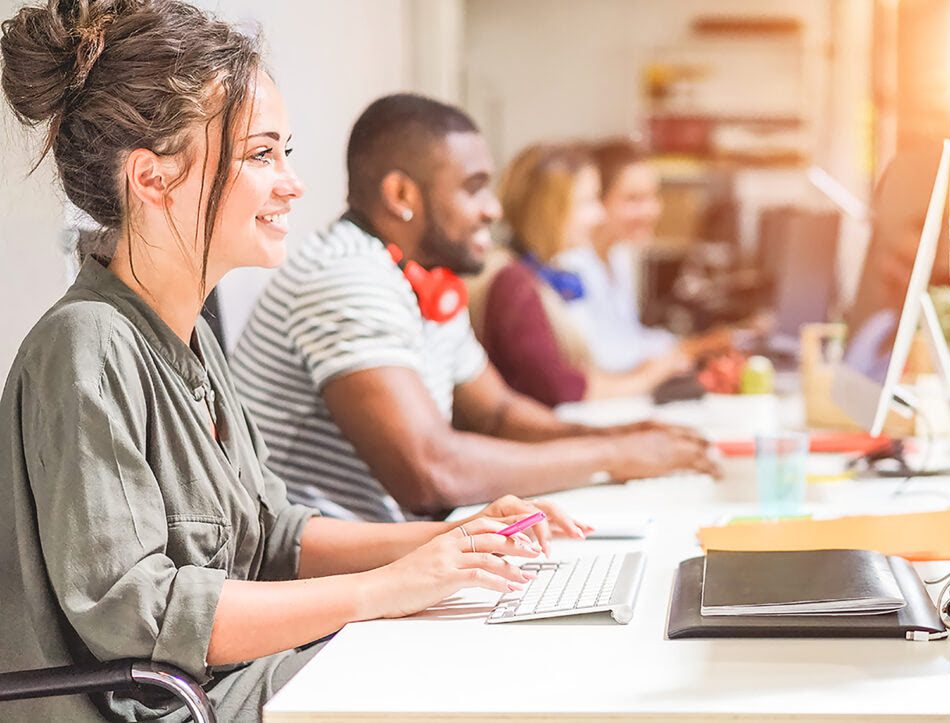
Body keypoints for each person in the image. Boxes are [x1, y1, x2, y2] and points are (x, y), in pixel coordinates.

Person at [0, 3, 584, 721]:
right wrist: (390, 586)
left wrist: (454, 537)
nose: (293, 183)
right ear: (152, 180)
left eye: (286, 151)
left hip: (237, 681)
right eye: (260, 154)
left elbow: (275, 536)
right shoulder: (86, 344)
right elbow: (140, 618)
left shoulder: (187, 337)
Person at [232, 94, 719, 524]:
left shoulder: (420, 275)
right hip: (331, 590)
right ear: (402, 195)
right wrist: (615, 454)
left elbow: (498, 414)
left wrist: (623, 437)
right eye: (473, 187)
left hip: (390, 558)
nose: (493, 209)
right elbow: (430, 472)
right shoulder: (347, 275)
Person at [471, 142, 691, 407]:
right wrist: (653, 373)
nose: (599, 216)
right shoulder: (516, 284)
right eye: (587, 202)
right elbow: (561, 388)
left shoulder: (543, 274)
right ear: (550, 210)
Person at [555, 138, 729, 375]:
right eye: (633, 199)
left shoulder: (619, 256)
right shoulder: (570, 266)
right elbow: (600, 356)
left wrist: (690, 345)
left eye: (653, 196)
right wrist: (689, 350)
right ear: (598, 199)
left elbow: (628, 337)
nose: (651, 211)